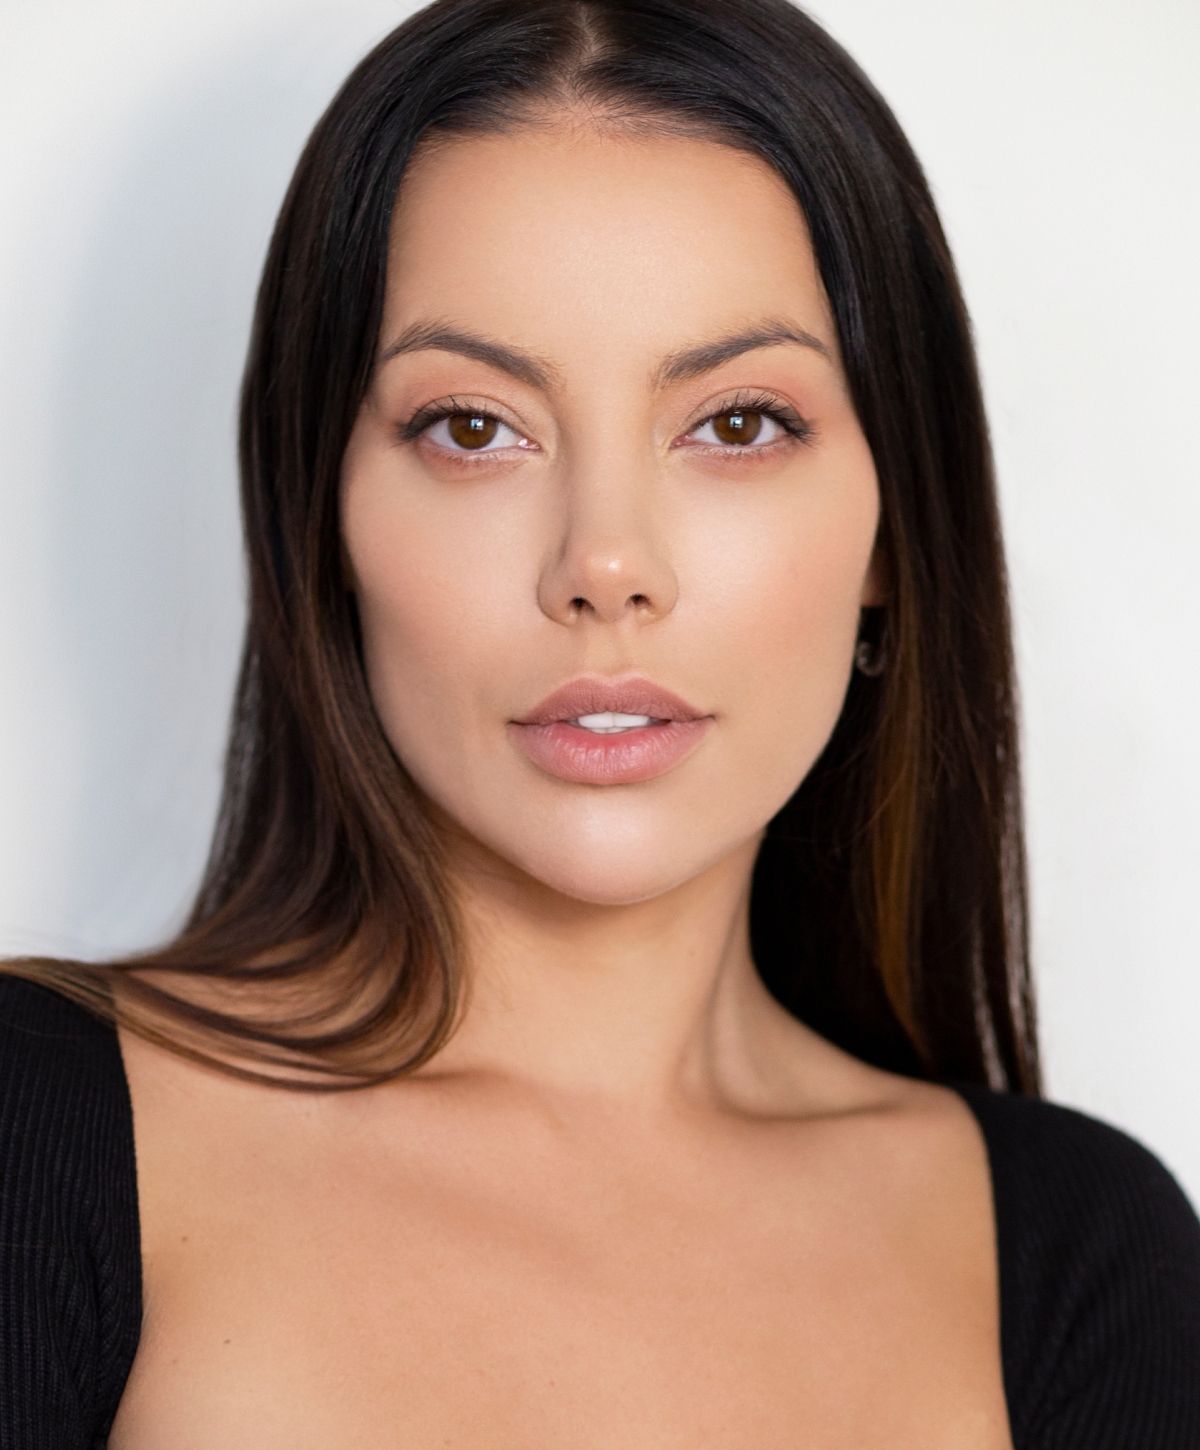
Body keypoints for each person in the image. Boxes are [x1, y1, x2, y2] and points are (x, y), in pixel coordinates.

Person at [2, 0, 1198, 1444]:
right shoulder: (35, 1129)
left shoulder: (1085, 1255)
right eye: (473, 427)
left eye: (738, 424)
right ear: (323, 516)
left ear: (894, 528)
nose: (606, 565)